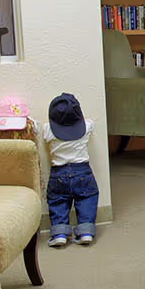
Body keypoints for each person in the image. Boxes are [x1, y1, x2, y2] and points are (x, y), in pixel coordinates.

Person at [42, 93, 99, 247]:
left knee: (58, 201)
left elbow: (36, 127)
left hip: (58, 173)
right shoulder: (87, 126)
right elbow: (90, 122)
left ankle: (60, 234)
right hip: (83, 171)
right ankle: (86, 232)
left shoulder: (47, 129)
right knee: (87, 199)